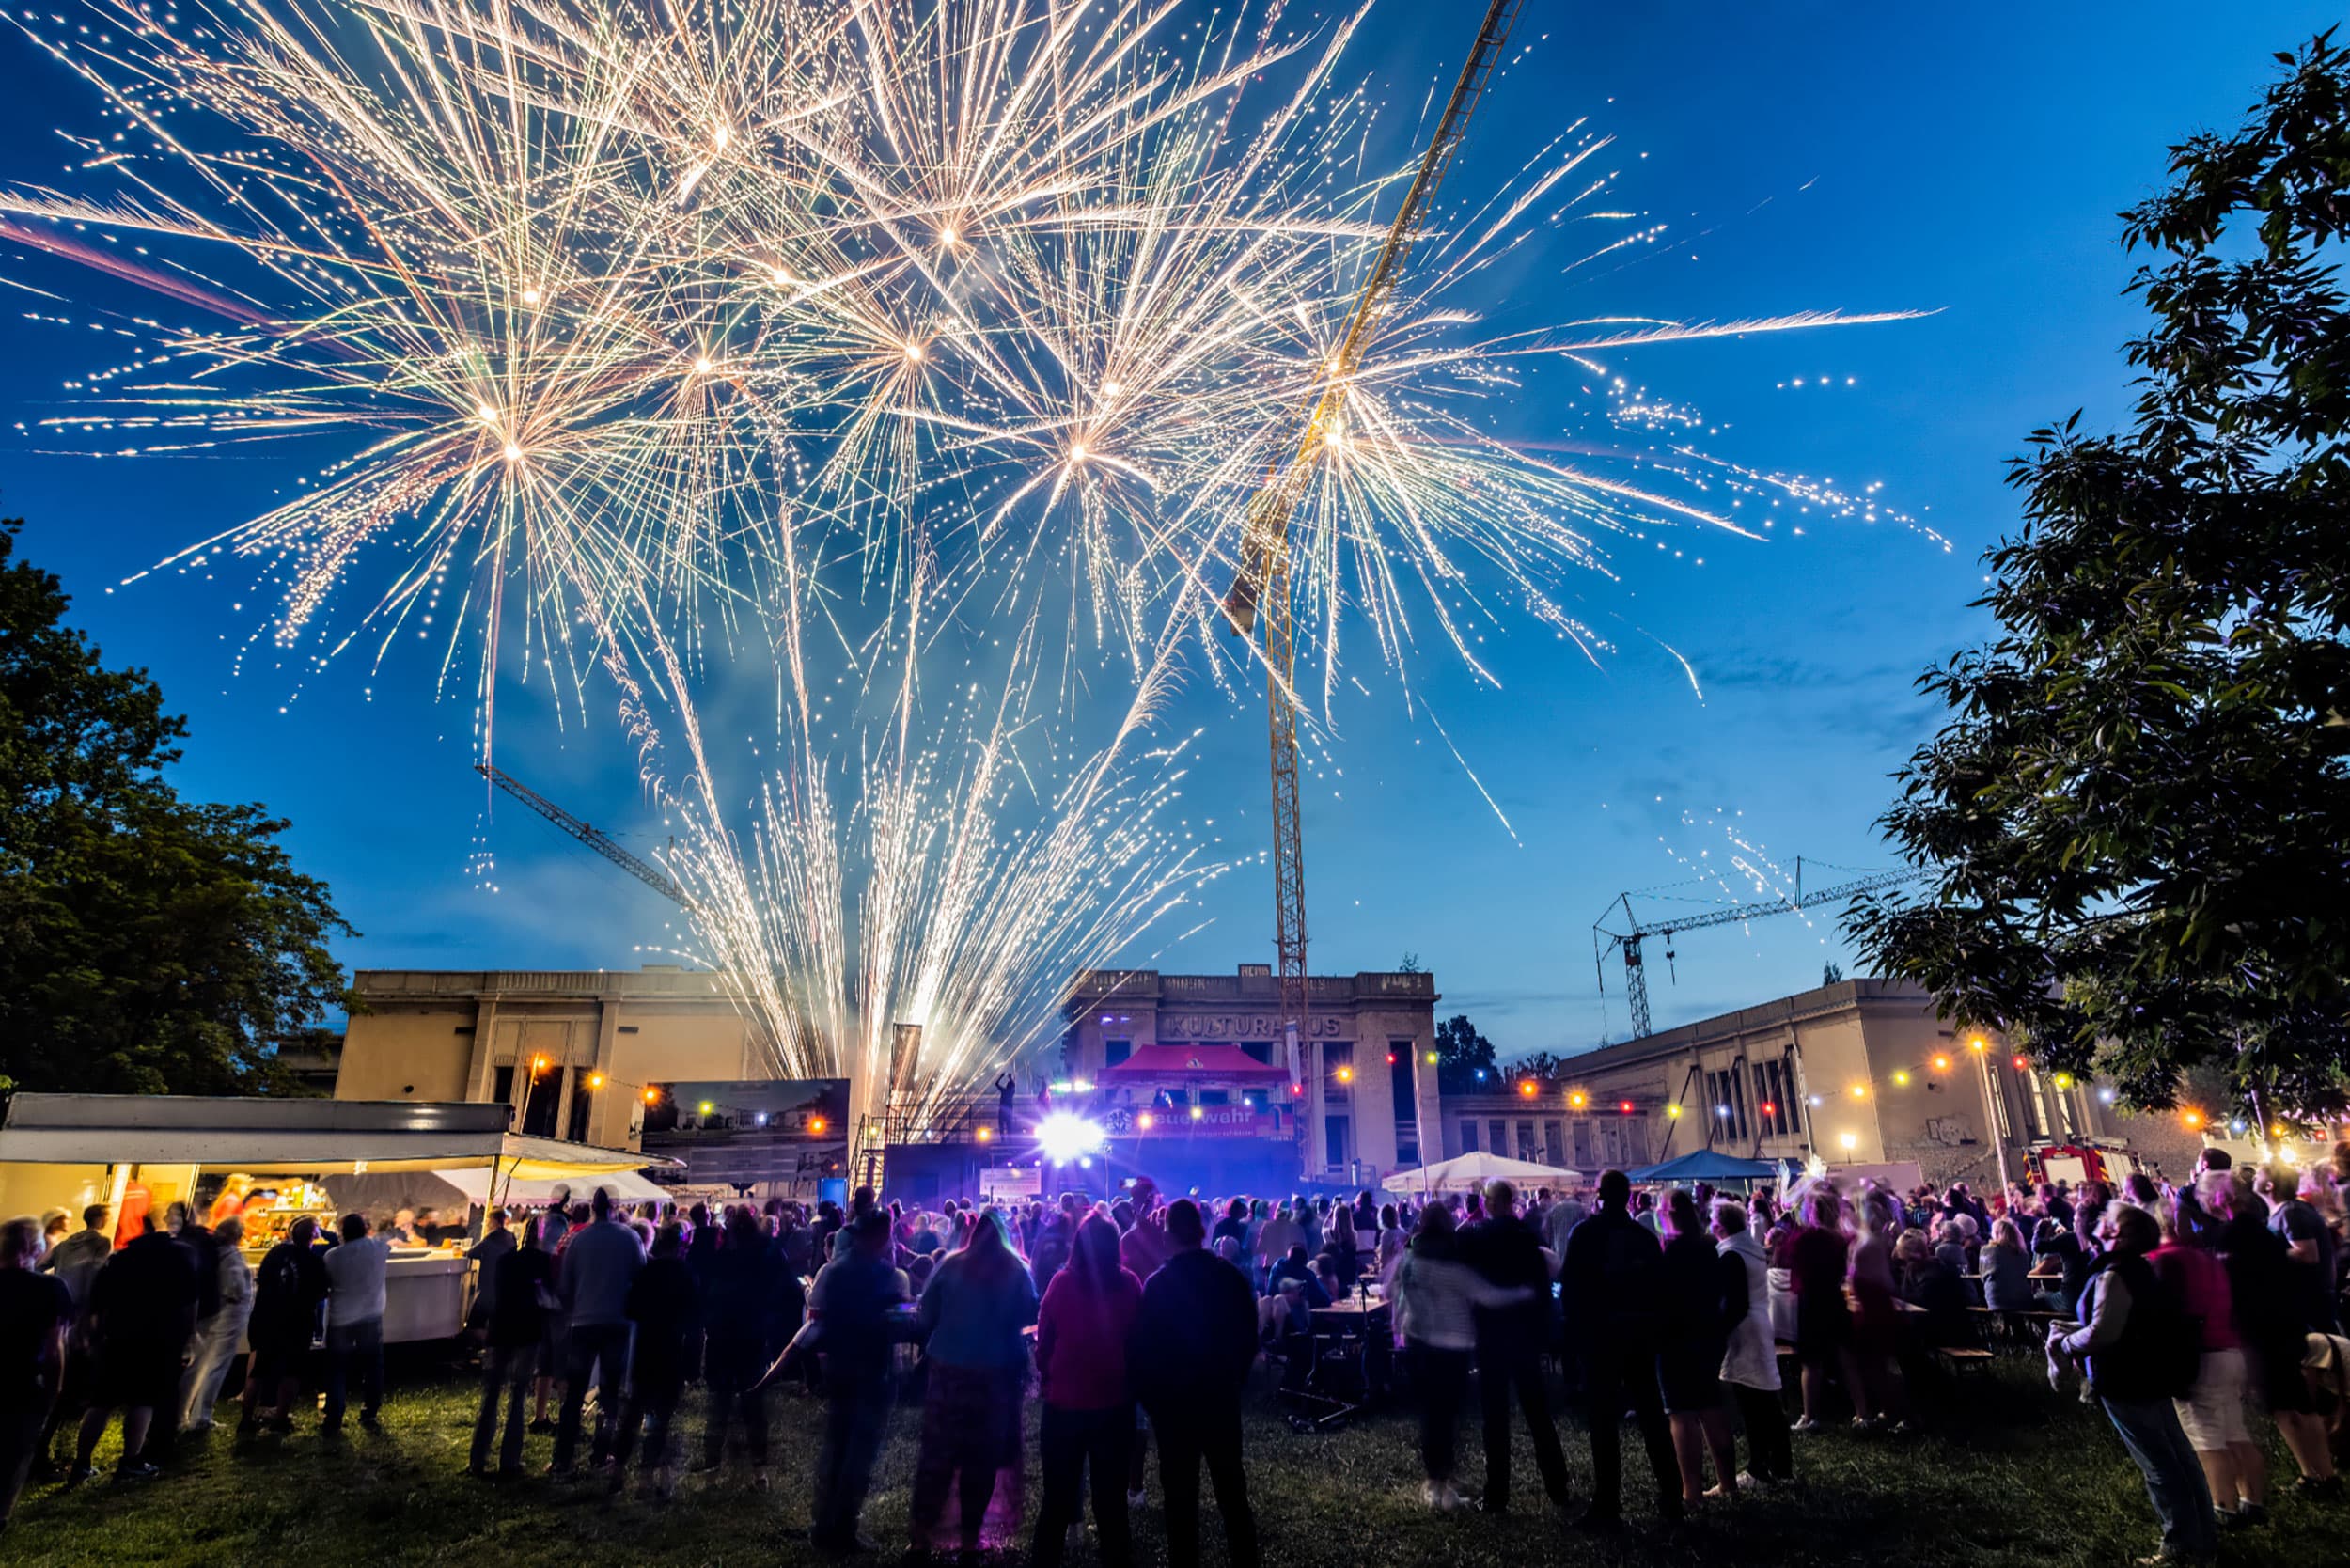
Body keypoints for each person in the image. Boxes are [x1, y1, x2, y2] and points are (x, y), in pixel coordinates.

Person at [2051, 1204, 2216, 1566]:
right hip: (2149, 1372)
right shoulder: (2141, 1268)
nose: (2102, 1225)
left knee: (2158, 1463)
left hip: (2125, 1376)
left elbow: (2104, 1331)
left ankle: (2181, 1546)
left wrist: (2065, 1344)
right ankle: (2204, 1537)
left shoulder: (2115, 1274)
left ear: (2120, 1236)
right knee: (2178, 1455)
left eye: (2110, 1222)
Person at [1130, 1200, 1258, 1568]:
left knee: (1180, 1503)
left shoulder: (1158, 1285)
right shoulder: (1229, 1278)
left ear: (1168, 1236)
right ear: (1202, 1233)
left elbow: (1141, 1350)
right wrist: (1238, 1380)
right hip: (1219, 1400)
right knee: (1233, 1494)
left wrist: (1153, 1402)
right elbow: (1249, 1336)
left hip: (1175, 1409)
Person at [1387, 1201, 1533, 1511]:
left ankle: (1438, 1478)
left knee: (1432, 1414)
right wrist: (1525, 1292)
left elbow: (1393, 1291)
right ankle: (1440, 1487)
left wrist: (1398, 1323)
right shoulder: (1451, 1268)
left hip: (1417, 1341)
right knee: (1447, 1414)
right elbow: (1487, 1295)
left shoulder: (1411, 1259)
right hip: (1450, 1347)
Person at [911, 1207, 1040, 1553]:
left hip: (950, 1373)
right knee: (982, 1460)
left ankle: (920, 1538)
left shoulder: (950, 1265)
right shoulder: (1017, 1270)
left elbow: (927, 1316)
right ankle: (970, 1540)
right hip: (996, 1377)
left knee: (939, 1455)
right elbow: (1030, 1314)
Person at [1562, 1168, 1679, 1530]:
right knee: (1651, 1415)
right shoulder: (1643, 1237)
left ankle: (1608, 1503)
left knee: (1603, 1421)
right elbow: (1662, 1288)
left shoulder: (1585, 1234)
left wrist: (1579, 1333)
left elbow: (1571, 1288)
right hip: (1639, 1336)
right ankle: (1670, 1495)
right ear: (1628, 1197)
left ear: (1599, 1195)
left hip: (1602, 1338)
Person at [1031, 1214, 1141, 1568]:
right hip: (1114, 1404)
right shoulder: (1129, 1285)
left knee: (1057, 1501)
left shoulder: (1062, 1284)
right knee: (1111, 1504)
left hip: (1065, 1405)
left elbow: (1044, 1340)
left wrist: (1046, 1375)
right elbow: (1140, 1342)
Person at [1458, 1179, 1572, 1515]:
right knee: (1538, 1413)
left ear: (1489, 1203)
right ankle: (1558, 1488)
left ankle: (1496, 1496)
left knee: (1495, 1418)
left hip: (1491, 1335)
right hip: (1523, 1334)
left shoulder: (1478, 1238)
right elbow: (1541, 1285)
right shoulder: (1527, 1237)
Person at [2150, 1200, 2264, 1528]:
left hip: (2199, 1357)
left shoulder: (2164, 1260)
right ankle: (2252, 1501)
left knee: (2206, 1438)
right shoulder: (2208, 1259)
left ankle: (2223, 1508)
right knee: (2235, 1430)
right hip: (2230, 1350)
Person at [807, 1209, 911, 1556]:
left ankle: (823, 1526)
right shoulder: (879, 1273)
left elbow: (818, 1307)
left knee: (836, 1447)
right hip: (869, 1369)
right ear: (881, 1236)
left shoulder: (836, 1269)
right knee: (858, 1453)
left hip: (839, 1366)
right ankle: (843, 1529)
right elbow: (888, 1318)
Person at [71, 1213, 197, 1482]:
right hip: (157, 1341)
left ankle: (81, 1463)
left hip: (117, 1338)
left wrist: (91, 1336)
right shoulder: (177, 1261)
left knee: (102, 1402)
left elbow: (96, 1303)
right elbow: (189, 1305)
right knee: (143, 1401)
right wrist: (186, 1340)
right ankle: (130, 1460)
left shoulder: (119, 1260)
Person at [698, 1206, 803, 1483]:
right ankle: (759, 1470)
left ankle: (711, 1467)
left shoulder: (721, 1254)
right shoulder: (768, 1251)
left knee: (719, 1400)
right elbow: (788, 1291)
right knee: (753, 1401)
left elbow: (705, 1288)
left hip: (721, 1334)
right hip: (752, 1334)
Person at [552, 1185, 644, 1480]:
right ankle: (600, 1455)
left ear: (592, 1207)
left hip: (583, 1322)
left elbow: (565, 1284)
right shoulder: (629, 1238)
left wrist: (574, 1308)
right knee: (609, 1394)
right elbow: (640, 1278)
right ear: (615, 1207)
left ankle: (562, 1460)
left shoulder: (579, 1240)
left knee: (574, 1393)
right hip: (617, 1322)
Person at [1656, 1189, 1739, 1506]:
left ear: (1673, 1211)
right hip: (1708, 1334)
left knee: (1681, 1414)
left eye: (1663, 1208)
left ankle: (1691, 1491)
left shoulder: (1670, 1251)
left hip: (1676, 1338)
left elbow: (1662, 1296)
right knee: (1710, 1406)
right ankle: (1727, 1483)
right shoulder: (1708, 1246)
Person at [611, 1222, 697, 1497]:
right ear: (682, 1244)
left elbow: (630, 1308)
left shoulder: (647, 1272)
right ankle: (649, 1478)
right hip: (672, 1349)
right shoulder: (686, 1274)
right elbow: (694, 1320)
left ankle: (618, 1470)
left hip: (646, 1347)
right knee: (662, 1417)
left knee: (633, 1412)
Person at [471, 1214, 556, 1479]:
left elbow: (496, 1294)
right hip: (528, 1333)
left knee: (492, 1396)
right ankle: (509, 1461)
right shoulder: (544, 1263)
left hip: (501, 1329)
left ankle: (477, 1459)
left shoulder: (506, 1260)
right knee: (518, 1397)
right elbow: (549, 1298)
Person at [1713, 1200, 1789, 1490]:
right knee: (1767, 1398)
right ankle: (1779, 1467)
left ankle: (1760, 1469)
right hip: (1759, 1324)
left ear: (1719, 1226)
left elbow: (1735, 1303)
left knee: (1754, 1401)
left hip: (1745, 1332)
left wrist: (1718, 1332)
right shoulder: (1751, 1248)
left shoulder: (1732, 1254)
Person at [0, 1217, 70, 1530]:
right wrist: (55, 1389)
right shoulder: (50, 1288)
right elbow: (55, 1347)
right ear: (33, 1247)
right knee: (15, 1455)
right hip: (25, 1383)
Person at [241, 1215, 327, 1435]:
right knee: (291, 1371)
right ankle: (280, 1419)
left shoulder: (276, 1252)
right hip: (297, 1323)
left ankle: (246, 1419)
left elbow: (262, 1277)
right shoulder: (315, 1262)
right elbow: (320, 1294)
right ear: (314, 1236)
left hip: (266, 1317)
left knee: (258, 1370)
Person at [1789, 1191, 1865, 1432]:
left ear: (1811, 1211)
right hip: (1833, 1297)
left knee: (1811, 1362)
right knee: (1847, 1358)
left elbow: (1792, 1262)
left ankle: (1810, 1416)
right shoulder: (1842, 1239)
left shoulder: (1804, 1238)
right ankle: (1863, 1413)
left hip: (1810, 1300)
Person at [178, 1216, 254, 1435]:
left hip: (211, 1315)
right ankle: (201, 1415)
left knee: (199, 1364)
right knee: (217, 1365)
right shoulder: (231, 1257)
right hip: (228, 1316)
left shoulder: (212, 1254)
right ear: (236, 1236)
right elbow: (235, 1289)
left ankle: (181, 1412)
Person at [321, 1213, 391, 1435]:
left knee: (337, 1368)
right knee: (373, 1365)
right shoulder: (379, 1249)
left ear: (343, 1233)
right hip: (371, 1316)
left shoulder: (332, 1256)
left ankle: (334, 1414)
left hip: (341, 1318)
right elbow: (387, 1245)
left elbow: (327, 1283)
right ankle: (370, 1409)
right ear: (364, 1229)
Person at [464, 1207, 517, 1339]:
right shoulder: (510, 1237)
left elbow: (471, 1253)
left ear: (493, 1221)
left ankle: (486, 1348)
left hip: (489, 1285)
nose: (486, 1224)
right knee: (493, 1321)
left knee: (474, 1324)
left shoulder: (491, 1238)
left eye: (487, 1220)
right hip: (504, 1286)